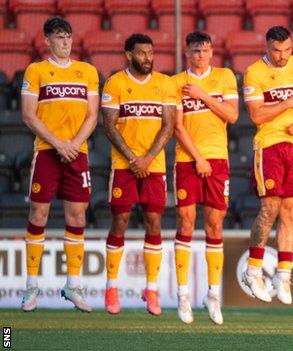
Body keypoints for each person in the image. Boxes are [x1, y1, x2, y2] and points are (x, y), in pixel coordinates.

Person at [20, 17, 99, 312]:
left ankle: (73, 285)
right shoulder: (37, 70)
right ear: (47, 41)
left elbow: (92, 115)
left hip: (77, 152)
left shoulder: (87, 71)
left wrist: (74, 144)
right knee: (38, 213)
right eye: (59, 37)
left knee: (77, 217)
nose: (65, 42)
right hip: (47, 151)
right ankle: (31, 286)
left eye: (68, 36)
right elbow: (29, 115)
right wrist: (59, 143)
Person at [101, 33, 177, 316]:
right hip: (124, 166)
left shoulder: (165, 84)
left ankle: (152, 289)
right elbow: (109, 126)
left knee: (154, 222)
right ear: (128, 54)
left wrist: (146, 158)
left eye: (150, 52)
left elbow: (168, 126)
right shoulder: (116, 83)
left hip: (154, 166)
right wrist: (133, 158)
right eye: (142, 53)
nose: (148, 58)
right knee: (119, 221)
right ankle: (111, 287)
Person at [241, 26, 293, 304]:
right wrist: (287, 104)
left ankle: (283, 275)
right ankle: (253, 269)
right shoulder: (254, 73)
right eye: (276, 50)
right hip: (269, 144)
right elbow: (256, 115)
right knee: (269, 207)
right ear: (267, 47)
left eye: (287, 50)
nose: (283, 56)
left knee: (290, 210)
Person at [171, 31, 239, 324]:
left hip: (218, 159)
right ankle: (183, 296)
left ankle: (213, 296)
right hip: (188, 160)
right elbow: (176, 126)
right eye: (196, 51)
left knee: (214, 225)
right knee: (185, 221)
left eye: (206, 51)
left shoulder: (225, 77)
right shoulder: (174, 83)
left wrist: (202, 95)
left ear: (212, 53)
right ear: (188, 53)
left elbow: (232, 115)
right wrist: (197, 158)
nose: (201, 55)